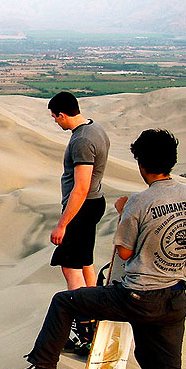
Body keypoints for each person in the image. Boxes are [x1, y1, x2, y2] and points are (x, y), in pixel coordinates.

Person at [2, 129, 186, 369]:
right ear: (171, 162)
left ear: (141, 165)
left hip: (133, 297)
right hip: (174, 301)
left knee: (64, 302)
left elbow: (124, 252)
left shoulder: (139, 201)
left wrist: (123, 213)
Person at [48, 91, 110, 291]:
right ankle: (93, 306)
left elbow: (81, 188)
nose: (56, 122)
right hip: (93, 202)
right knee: (85, 261)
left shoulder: (82, 140)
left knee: (70, 266)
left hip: (82, 207)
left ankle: (82, 315)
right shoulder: (96, 128)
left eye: (54, 117)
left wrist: (61, 225)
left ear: (62, 115)